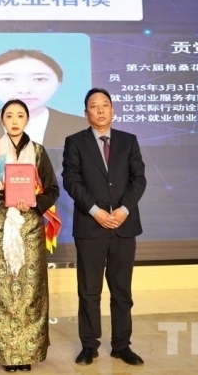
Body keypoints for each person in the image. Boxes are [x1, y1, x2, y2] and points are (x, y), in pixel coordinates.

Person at [62, 88, 147, 367]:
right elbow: (71, 180)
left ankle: (122, 345)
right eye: (94, 106)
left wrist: (124, 210)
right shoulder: (75, 142)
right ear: (85, 113)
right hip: (90, 226)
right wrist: (95, 211)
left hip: (124, 226)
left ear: (113, 110)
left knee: (122, 290)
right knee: (89, 290)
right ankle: (89, 345)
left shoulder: (128, 141)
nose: (100, 110)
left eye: (105, 105)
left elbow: (139, 179)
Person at [0, 99, 60, 373]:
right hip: (0, 225)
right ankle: (4, 353)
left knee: (30, 290)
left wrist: (34, 202)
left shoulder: (38, 151)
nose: (14, 120)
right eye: (9, 115)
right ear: (2, 120)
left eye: (20, 115)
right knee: (0, 288)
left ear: (27, 120)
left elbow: (52, 189)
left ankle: (27, 352)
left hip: (30, 227)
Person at [0, 49, 86, 150]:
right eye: (8, 79)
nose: (24, 89)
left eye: (39, 79)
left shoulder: (82, 128)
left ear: (59, 83)